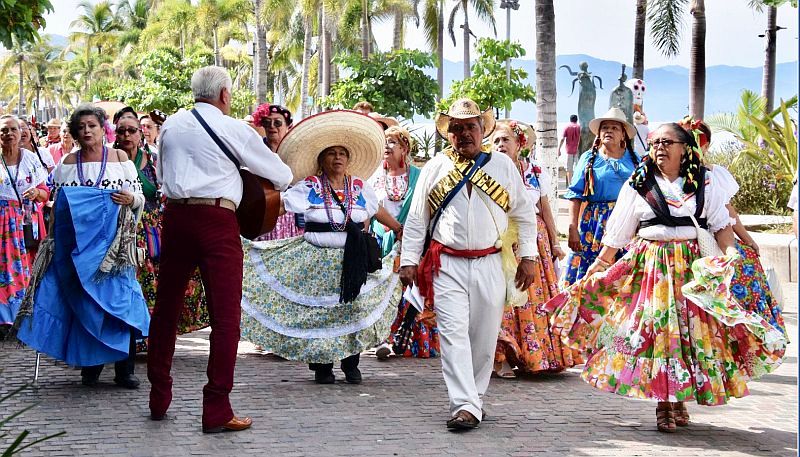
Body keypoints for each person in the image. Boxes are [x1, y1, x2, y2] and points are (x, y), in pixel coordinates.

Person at [542, 122, 787, 433]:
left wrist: (730, 254)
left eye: (667, 142)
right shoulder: (640, 182)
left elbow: (721, 224)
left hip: (691, 268)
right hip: (652, 267)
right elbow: (619, 231)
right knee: (661, 333)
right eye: (655, 142)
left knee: (688, 334)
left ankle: (678, 397)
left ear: (684, 148)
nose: (659, 147)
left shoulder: (703, 181)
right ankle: (663, 404)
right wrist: (600, 265)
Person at [147, 66, 292, 434]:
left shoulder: (172, 126)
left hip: (177, 216)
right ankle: (216, 408)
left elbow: (163, 176)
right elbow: (282, 176)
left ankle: (159, 396)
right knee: (226, 318)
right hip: (217, 219)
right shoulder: (234, 129)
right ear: (225, 95)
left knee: (166, 310)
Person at [399, 98, 538, 430]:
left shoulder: (503, 166)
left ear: (483, 130)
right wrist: (407, 260)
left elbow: (523, 213)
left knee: (484, 337)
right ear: (449, 134)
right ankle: (464, 405)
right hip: (447, 264)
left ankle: (473, 399)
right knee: (453, 334)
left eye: (470, 127)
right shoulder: (435, 167)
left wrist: (529, 256)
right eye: (457, 128)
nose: (464, 134)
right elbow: (418, 220)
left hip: (491, 263)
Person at [240, 110, 402, 384]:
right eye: (331, 153)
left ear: (349, 159)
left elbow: (376, 211)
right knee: (322, 312)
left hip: (353, 259)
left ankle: (351, 363)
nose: (337, 157)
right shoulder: (309, 187)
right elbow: (280, 206)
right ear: (321, 159)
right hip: (316, 260)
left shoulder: (360, 188)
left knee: (354, 309)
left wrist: (398, 229)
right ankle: (323, 366)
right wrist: (250, 217)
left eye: (342, 153)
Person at [15, 104, 150, 389]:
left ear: (103, 130)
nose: (87, 131)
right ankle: (91, 367)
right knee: (86, 305)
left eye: (93, 125)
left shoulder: (120, 158)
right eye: (82, 127)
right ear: (76, 132)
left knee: (120, 304)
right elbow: (58, 204)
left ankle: (124, 371)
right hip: (78, 251)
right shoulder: (66, 164)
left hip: (113, 248)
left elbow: (139, 196)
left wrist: (131, 200)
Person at [112, 112, 209, 353]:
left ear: (140, 133)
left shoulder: (153, 159)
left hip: (152, 228)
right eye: (121, 131)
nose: (126, 135)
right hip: (120, 229)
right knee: (129, 283)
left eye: (131, 130)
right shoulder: (109, 160)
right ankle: (128, 336)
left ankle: (153, 336)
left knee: (157, 282)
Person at [490, 120, 580, 378]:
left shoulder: (535, 173)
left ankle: (536, 355)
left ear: (520, 144)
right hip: (503, 238)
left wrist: (554, 243)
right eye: (496, 141)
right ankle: (502, 357)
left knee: (533, 297)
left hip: (534, 241)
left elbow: (546, 210)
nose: (500, 145)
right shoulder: (491, 172)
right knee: (504, 295)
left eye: (505, 140)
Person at [679, 117, 786, 336]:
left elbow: (728, 212)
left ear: (706, 146)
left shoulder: (714, 174)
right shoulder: (665, 175)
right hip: (681, 245)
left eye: (695, 141)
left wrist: (747, 240)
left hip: (714, 239)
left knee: (737, 284)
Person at [368, 125, 439, 360]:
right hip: (382, 241)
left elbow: (429, 208)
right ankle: (383, 339)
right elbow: (368, 210)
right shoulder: (375, 177)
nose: (386, 147)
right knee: (383, 291)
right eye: (383, 143)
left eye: (391, 142)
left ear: (404, 148)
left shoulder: (418, 176)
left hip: (411, 242)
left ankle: (408, 340)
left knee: (411, 291)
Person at [562, 107, 639, 287]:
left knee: (624, 277)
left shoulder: (635, 159)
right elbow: (575, 194)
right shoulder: (589, 158)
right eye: (605, 128)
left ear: (623, 135)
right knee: (590, 275)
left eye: (614, 128)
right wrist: (573, 228)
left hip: (628, 222)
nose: (609, 131)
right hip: (594, 224)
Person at [0, 115, 49, 327]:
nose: (8, 134)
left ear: (20, 134)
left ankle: (19, 314)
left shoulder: (29, 159)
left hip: (23, 223)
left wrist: (36, 192)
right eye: (3, 130)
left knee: (20, 266)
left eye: (12, 130)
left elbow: (45, 193)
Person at [252, 103, 304, 241]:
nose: (272, 126)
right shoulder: (255, 152)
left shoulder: (299, 153)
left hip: (293, 216)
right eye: (267, 122)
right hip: (263, 216)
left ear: (288, 126)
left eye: (278, 122)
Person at [558, 114, 581, 185]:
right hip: (578, 150)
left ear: (570, 120)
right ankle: (577, 183)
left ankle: (570, 184)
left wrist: (559, 149)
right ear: (577, 120)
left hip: (569, 151)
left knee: (569, 169)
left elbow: (562, 139)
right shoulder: (580, 127)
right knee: (578, 168)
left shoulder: (567, 127)